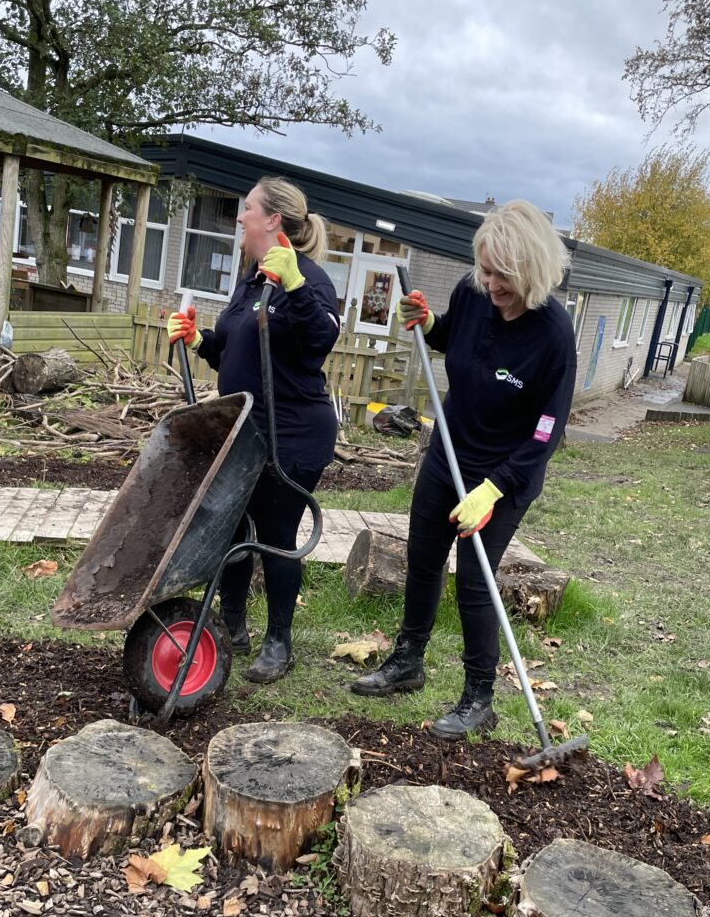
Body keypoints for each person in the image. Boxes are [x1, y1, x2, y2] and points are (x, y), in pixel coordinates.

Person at [351, 199, 576, 740]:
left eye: (503, 275)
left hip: (506, 473)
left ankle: (479, 697)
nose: (491, 284)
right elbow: (452, 336)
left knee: (476, 581)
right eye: (485, 270)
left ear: (531, 271)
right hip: (447, 452)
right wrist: (427, 323)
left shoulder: (554, 336)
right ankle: (408, 660)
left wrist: (494, 490)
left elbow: (548, 433)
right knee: (422, 558)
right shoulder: (472, 293)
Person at [167, 177, 340, 683]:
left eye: (247, 210)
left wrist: (296, 285)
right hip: (245, 433)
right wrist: (200, 340)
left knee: (277, 535)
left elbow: (319, 339)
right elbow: (234, 348)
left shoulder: (307, 277)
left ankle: (279, 642)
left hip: (293, 435)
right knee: (233, 528)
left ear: (273, 220)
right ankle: (234, 627)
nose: (239, 219)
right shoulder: (252, 278)